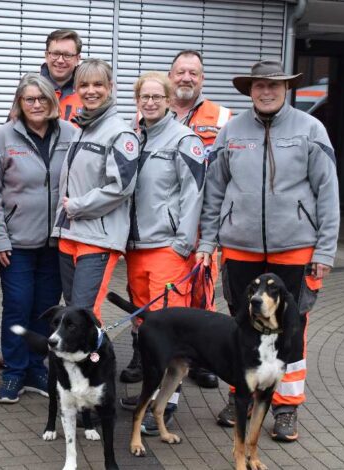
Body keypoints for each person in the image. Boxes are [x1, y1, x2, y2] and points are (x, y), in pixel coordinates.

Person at [197, 60, 339, 442]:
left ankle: (286, 406)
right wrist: (208, 242)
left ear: (286, 89)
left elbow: (328, 193)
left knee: (292, 327)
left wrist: (324, 250)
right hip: (239, 247)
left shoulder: (311, 129)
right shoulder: (231, 131)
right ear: (250, 90)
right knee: (241, 323)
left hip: (295, 249)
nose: (266, 91)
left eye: (274, 86)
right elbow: (213, 192)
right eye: (259, 86)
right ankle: (239, 395)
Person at [120, 71, 207, 435]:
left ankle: (166, 403)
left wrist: (183, 243)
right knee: (146, 327)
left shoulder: (184, 139)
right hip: (136, 250)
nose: (151, 102)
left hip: (168, 249)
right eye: (145, 97)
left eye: (158, 96)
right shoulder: (134, 137)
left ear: (170, 101)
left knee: (169, 329)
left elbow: (195, 193)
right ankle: (150, 395)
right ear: (137, 101)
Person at [0, 74, 78, 404]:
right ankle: (13, 371)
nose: (36, 104)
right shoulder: (3, 137)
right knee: (17, 307)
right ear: (19, 103)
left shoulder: (70, 133)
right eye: (29, 99)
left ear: (52, 101)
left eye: (41, 98)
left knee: (45, 310)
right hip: (17, 243)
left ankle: (37, 369)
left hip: (56, 242)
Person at [52, 58, 138, 322]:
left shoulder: (120, 133)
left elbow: (121, 188)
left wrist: (77, 206)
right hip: (69, 235)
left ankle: (97, 362)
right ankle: (78, 363)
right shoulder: (82, 129)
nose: (91, 90)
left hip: (97, 239)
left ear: (110, 87)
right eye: (84, 85)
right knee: (72, 312)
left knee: (84, 314)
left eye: (98, 84)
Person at [166, 49, 232, 389]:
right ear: (170, 76)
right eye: (180, 72)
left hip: (204, 222)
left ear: (202, 79)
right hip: (162, 222)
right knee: (158, 290)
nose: (186, 78)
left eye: (193, 73)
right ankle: (147, 352)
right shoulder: (151, 109)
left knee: (202, 291)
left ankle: (203, 359)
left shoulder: (222, 117)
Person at [40, 29, 83, 121]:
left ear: (77, 59)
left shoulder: (88, 93)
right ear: (47, 55)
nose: (60, 60)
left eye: (67, 55)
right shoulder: (30, 90)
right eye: (55, 54)